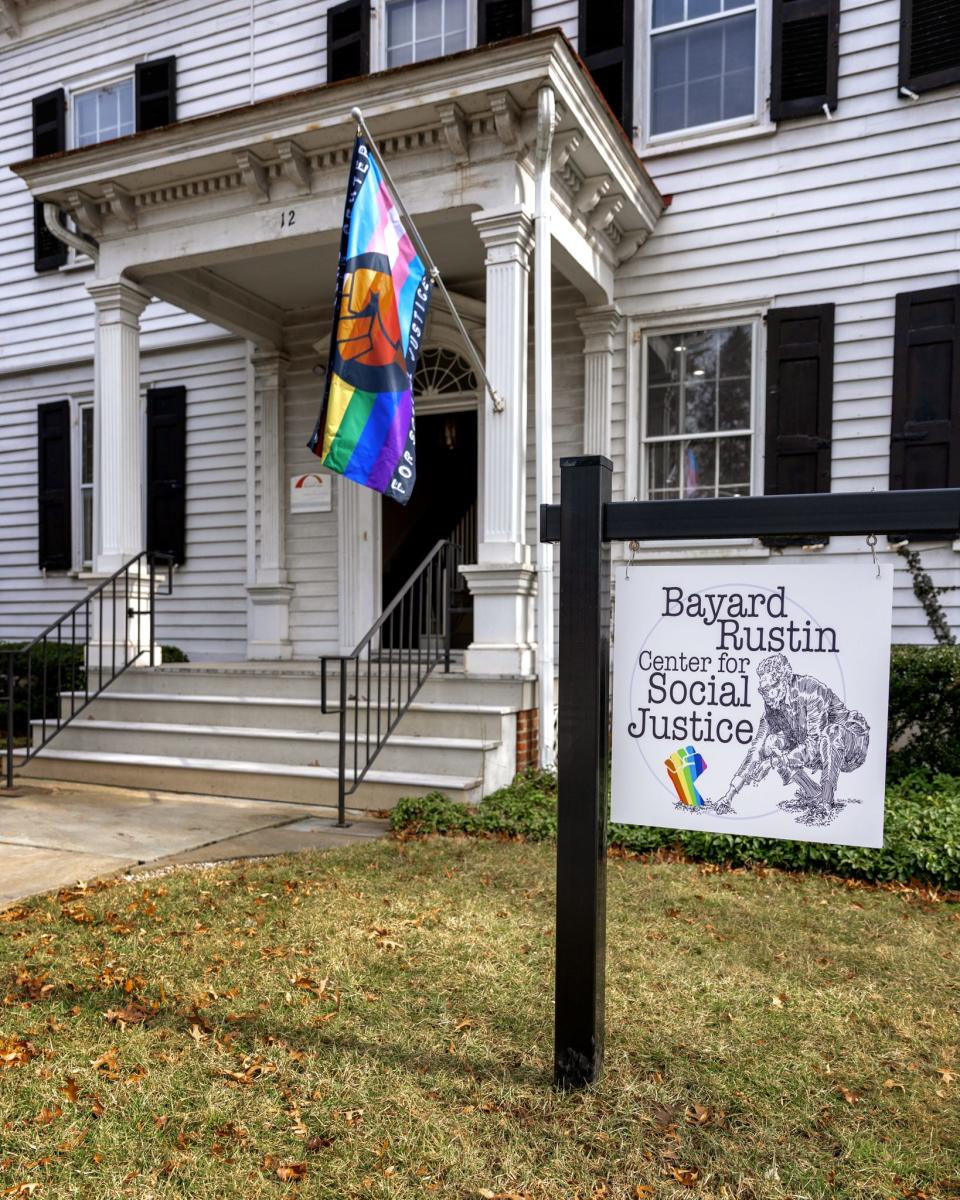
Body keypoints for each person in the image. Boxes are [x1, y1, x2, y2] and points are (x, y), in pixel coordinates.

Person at [714, 653, 869, 823]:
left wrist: (773, 763)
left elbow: (814, 744)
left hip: (851, 746)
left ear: (784, 681)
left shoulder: (811, 690)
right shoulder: (772, 704)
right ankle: (813, 793)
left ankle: (826, 801)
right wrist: (729, 795)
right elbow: (756, 750)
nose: (764, 695)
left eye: (767, 689)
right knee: (771, 743)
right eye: (761, 690)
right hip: (818, 750)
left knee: (831, 732)